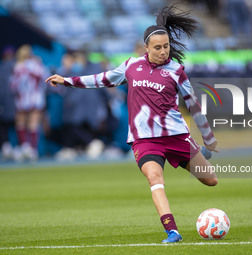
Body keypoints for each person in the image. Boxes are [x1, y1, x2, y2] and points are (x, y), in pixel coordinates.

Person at [45, 5, 218, 243]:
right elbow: (101, 80)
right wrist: (67, 80)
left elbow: (194, 105)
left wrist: (208, 136)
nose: (163, 51)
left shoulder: (176, 71)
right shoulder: (131, 67)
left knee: (211, 181)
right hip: (145, 139)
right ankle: (172, 231)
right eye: (157, 47)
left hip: (176, 136)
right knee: (155, 177)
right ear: (145, 47)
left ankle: (200, 149)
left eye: (166, 46)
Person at [10, 45, 48, 161]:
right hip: (36, 99)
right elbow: (45, 79)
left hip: (22, 99)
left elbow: (13, 86)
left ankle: (25, 147)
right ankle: (32, 149)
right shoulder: (37, 65)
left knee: (21, 123)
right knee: (33, 124)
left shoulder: (18, 67)